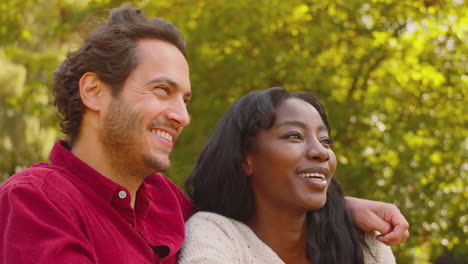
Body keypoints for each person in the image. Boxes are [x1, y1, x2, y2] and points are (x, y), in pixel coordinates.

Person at [0, 6, 407, 264]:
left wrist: (334, 204)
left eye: (185, 98)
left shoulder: (169, 202)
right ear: (94, 92)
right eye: (162, 90)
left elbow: (252, 218)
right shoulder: (36, 199)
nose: (182, 115)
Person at [180, 87, 399, 263]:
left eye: (325, 141)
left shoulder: (363, 245)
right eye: (294, 136)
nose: (321, 152)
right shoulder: (215, 234)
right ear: (246, 159)